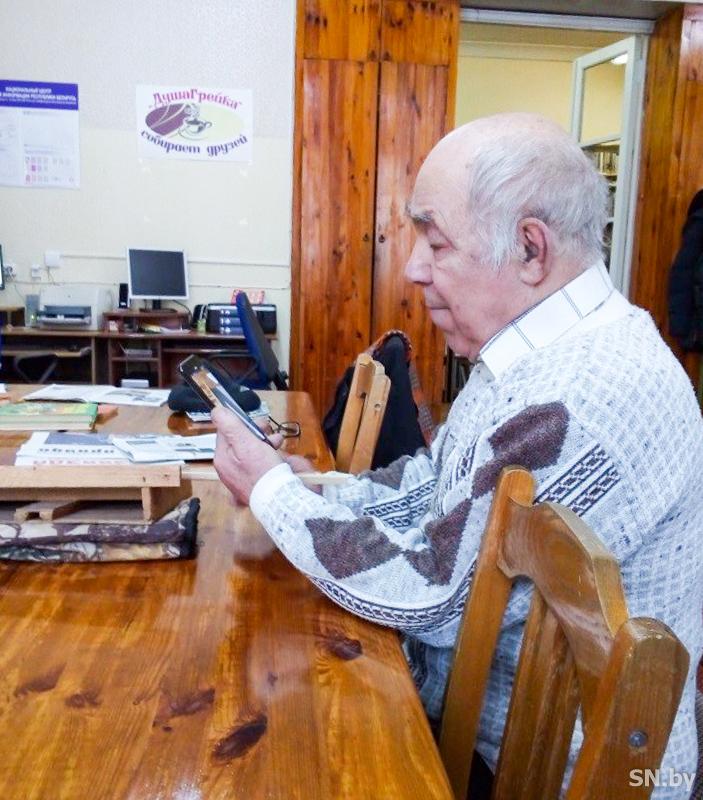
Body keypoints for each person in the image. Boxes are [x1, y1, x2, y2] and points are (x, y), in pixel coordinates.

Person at [212, 112, 703, 794]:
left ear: (530, 249)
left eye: (435, 242)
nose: (413, 268)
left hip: (551, 775)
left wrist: (273, 495)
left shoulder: (588, 395)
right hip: (485, 738)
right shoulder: (531, 353)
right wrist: (320, 489)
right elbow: (439, 481)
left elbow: (432, 594)